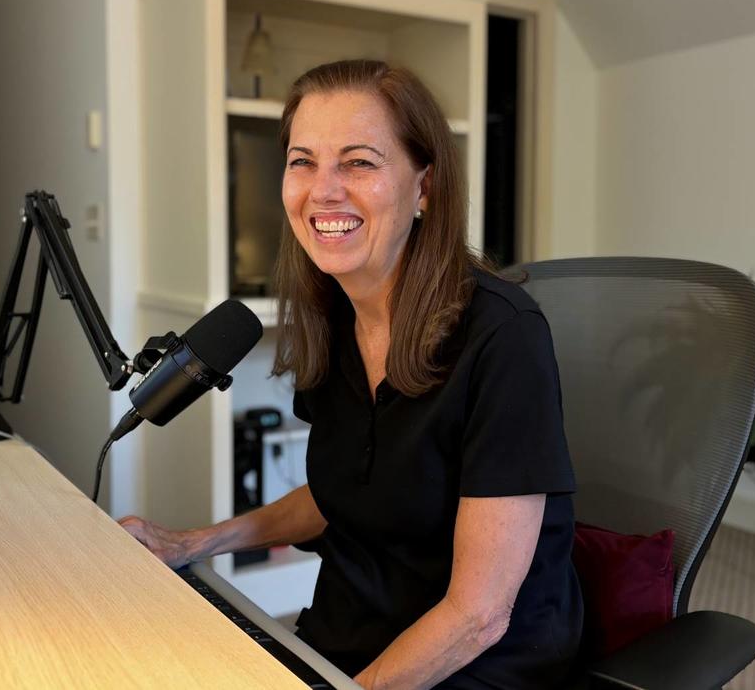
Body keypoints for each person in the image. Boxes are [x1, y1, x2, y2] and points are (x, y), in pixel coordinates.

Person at [119, 59, 583, 689]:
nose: (323, 190)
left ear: (424, 187)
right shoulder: (332, 317)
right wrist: (190, 544)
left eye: (359, 162)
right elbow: (337, 494)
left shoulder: (503, 336)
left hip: (475, 665)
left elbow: (480, 615)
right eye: (302, 160)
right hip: (347, 642)